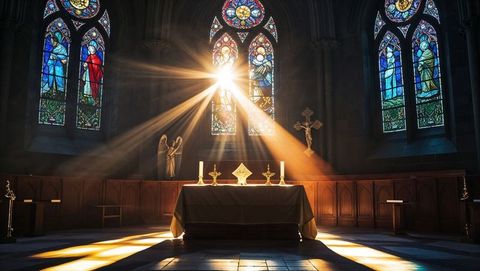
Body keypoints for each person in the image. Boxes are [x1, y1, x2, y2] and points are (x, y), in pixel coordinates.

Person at [81, 40, 103, 105]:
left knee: (93, 87)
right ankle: (85, 99)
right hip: (88, 74)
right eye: (89, 49)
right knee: (87, 85)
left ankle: (95, 100)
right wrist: (85, 65)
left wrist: (89, 65)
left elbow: (97, 67)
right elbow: (86, 64)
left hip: (93, 76)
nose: (89, 50)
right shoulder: (89, 57)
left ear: (93, 50)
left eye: (90, 49)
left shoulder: (97, 59)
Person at [417, 34, 439, 98]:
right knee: (425, 80)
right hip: (425, 69)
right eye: (421, 46)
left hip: (427, 69)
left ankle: (426, 91)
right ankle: (426, 90)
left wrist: (420, 62)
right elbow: (422, 60)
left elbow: (423, 59)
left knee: (426, 79)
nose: (422, 47)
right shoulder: (425, 52)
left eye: (423, 46)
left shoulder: (428, 52)